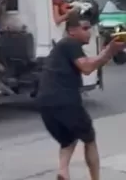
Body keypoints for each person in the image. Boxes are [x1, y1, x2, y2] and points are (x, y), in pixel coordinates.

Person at [37, 13, 126, 180]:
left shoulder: (63, 47)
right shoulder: (70, 43)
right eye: (84, 28)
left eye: (90, 28)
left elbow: (88, 61)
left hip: (45, 102)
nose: (89, 32)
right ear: (71, 30)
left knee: (69, 138)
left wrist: (109, 51)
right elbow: (86, 67)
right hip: (65, 100)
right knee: (89, 139)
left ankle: (63, 171)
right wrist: (109, 51)